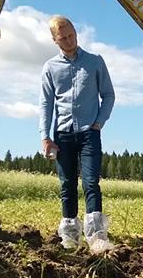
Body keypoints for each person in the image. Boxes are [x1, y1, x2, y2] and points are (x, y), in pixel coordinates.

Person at [39, 16, 115, 252]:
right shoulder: (50, 68)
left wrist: (99, 123)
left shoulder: (94, 62)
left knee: (91, 182)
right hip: (62, 134)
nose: (69, 40)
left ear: (76, 33)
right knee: (67, 185)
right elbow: (46, 104)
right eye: (63, 38)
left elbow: (109, 95)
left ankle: (97, 238)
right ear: (55, 40)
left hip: (89, 133)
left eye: (71, 35)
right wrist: (45, 135)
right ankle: (70, 238)